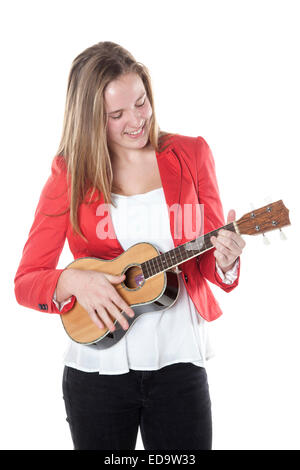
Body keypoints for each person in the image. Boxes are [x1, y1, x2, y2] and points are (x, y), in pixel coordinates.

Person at [14, 41, 246, 451]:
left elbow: (210, 257)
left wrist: (226, 260)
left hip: (178, 361)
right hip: (97, 370)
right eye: (117, 114)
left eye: (141, 103)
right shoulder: (70, 173)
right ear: (90, 120)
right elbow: (27, 280)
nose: (137, 120)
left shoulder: (190, 154)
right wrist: (76, 281)